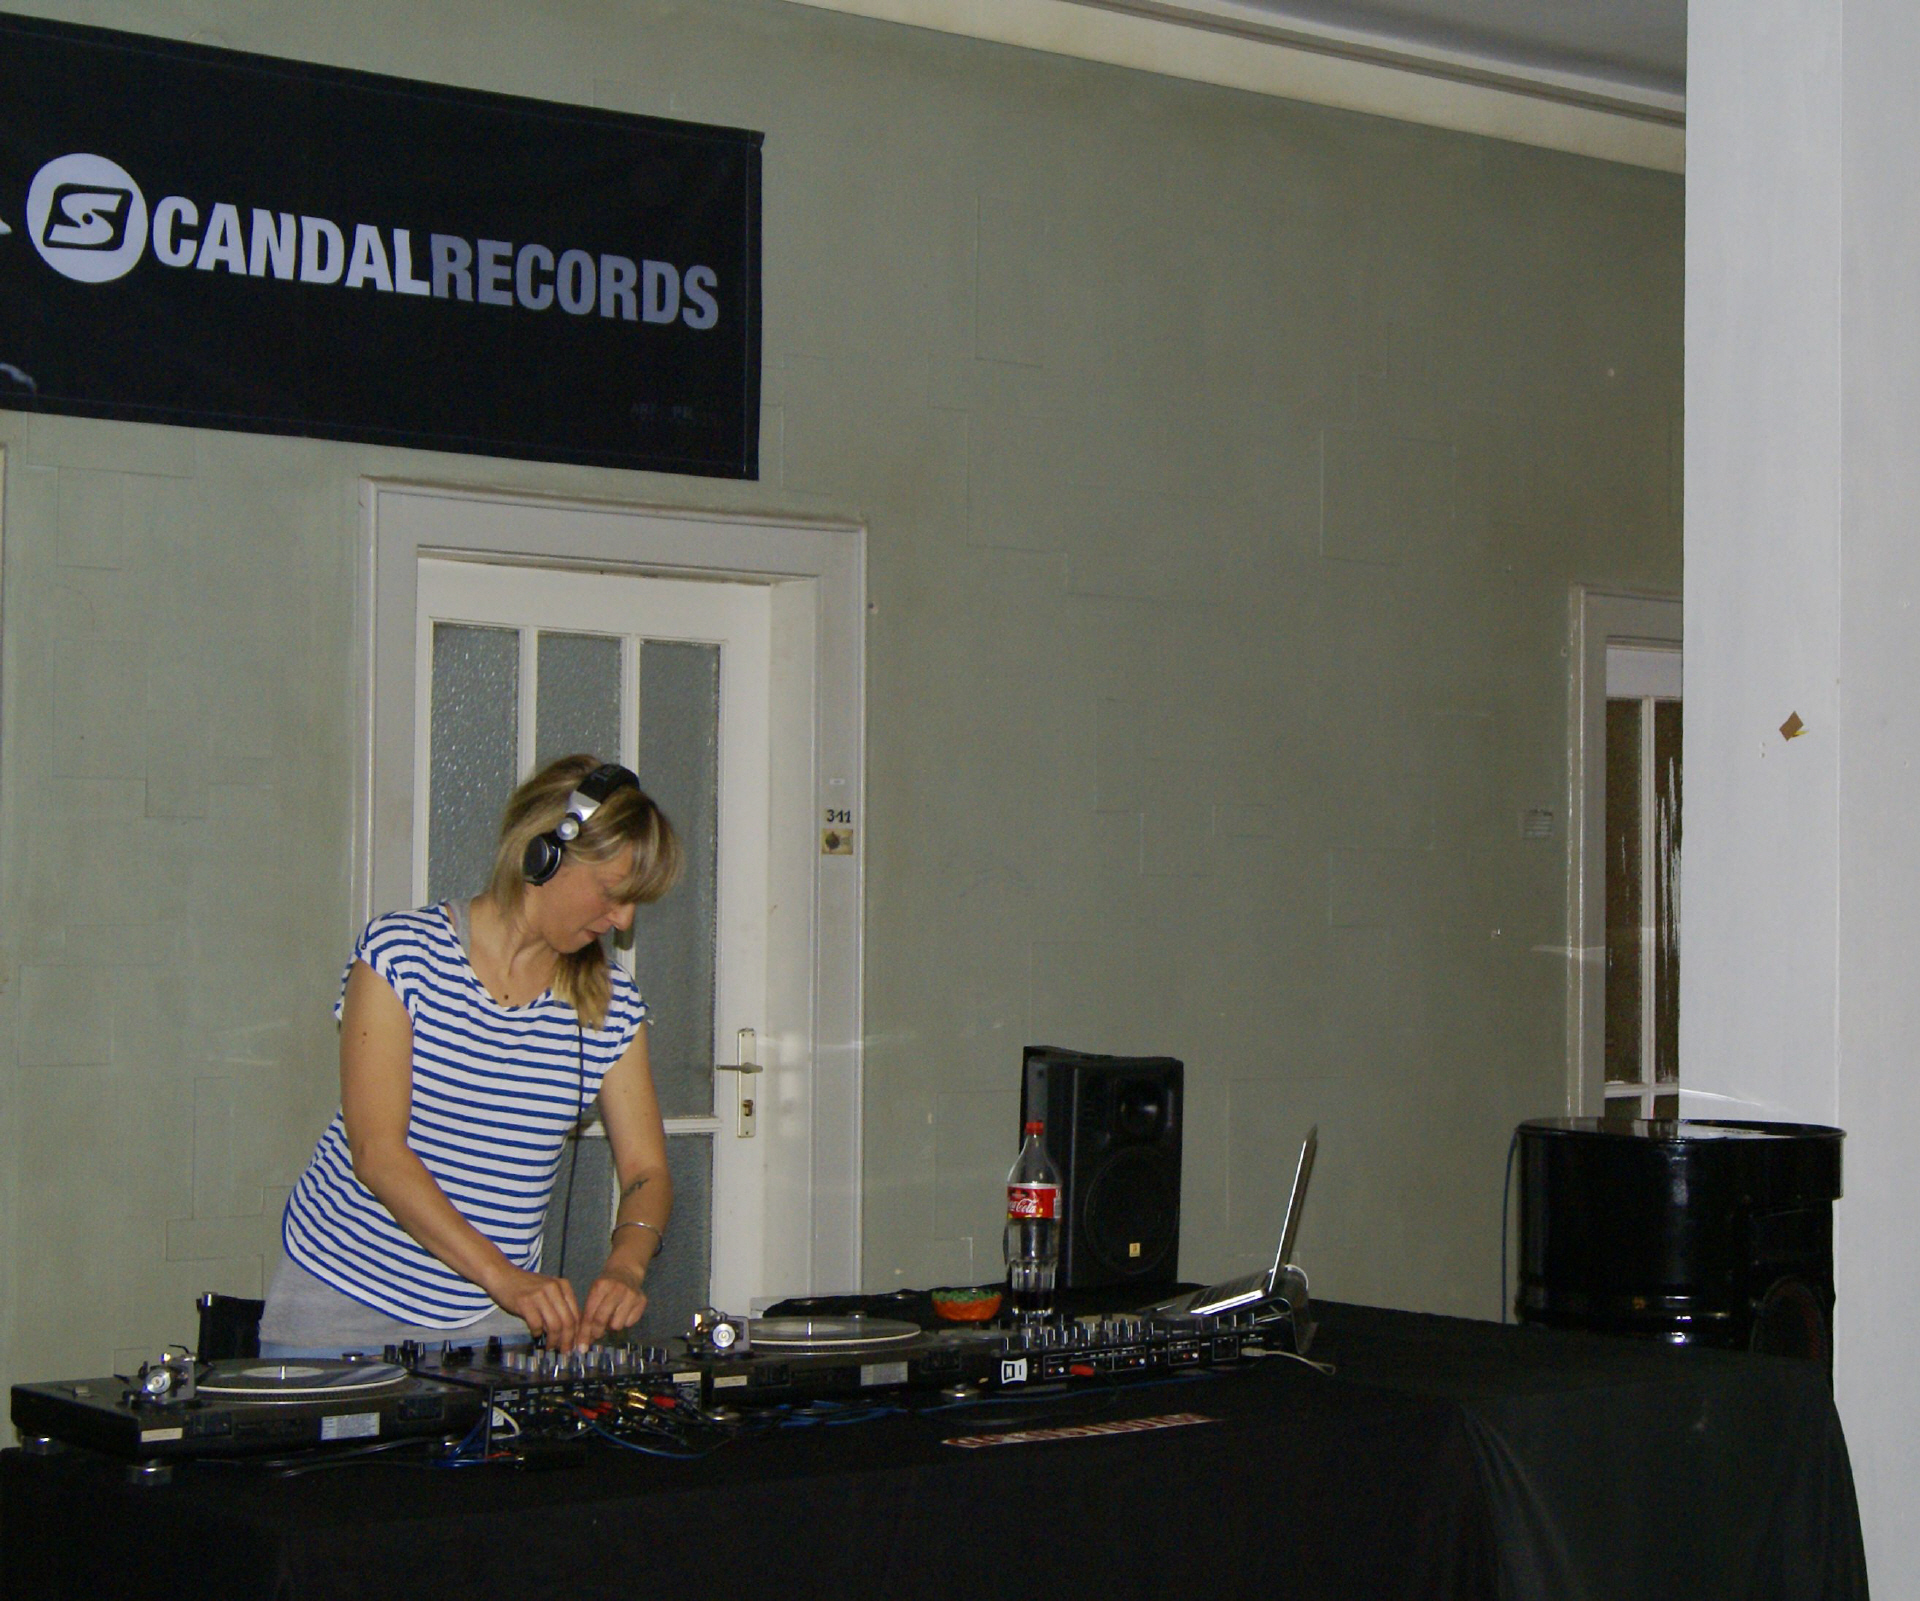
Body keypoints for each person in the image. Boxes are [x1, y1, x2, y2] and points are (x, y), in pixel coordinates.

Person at [259, 755, 682, 1357]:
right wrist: (504, 1277)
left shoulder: (611, 1006)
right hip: (338, 1309)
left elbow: (646, 1172)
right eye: (613, 893)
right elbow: (378, 1154)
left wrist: (626, 1266)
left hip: (491, 1323)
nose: (624, 919)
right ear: (543, 855)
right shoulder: (402, 955)